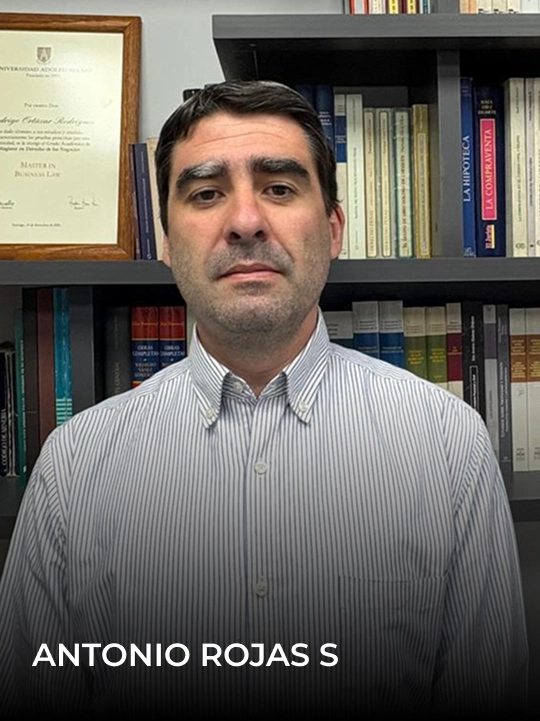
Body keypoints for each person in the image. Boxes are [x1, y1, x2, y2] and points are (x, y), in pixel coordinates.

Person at [0, 80, 528, 718]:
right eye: (206, 193)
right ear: (166, 240)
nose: (246, 221)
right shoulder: (73, 466)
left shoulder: (448, 444)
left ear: (332, 229)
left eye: (279, 188)